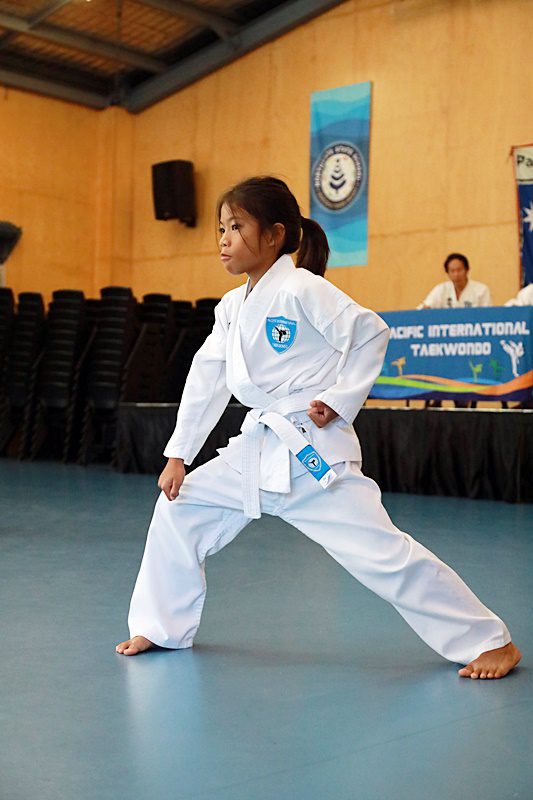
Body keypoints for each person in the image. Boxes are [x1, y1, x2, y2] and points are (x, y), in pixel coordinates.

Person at [117, 176, 521, 679]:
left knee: (383, 555)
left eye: (236, 226)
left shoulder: (302, 287)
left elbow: (371, 333)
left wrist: (338, 398)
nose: (222, 238)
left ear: (274, 236)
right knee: (179, 510)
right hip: (255, 452)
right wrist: (179, 454)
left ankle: (489, 641)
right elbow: (206, 380)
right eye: (221, 227)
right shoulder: (230, 307)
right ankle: (161, 626)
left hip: (310, 455)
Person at [418, 253, 491, 309]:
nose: (456, 274)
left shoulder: (481, 290)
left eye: (459, 270)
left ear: (467, 270)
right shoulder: (441, 289)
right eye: (452, 271)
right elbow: (424, 308)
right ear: (447, 273)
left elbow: (487, 315)